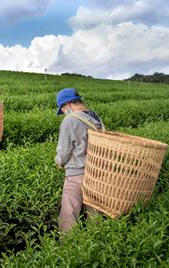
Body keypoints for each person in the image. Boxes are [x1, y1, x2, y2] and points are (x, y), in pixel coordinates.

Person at [55, 88, 104, 233]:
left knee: (69, 214)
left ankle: (68, 247)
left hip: (76, 174)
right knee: (94, 213)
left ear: (67, 105)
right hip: (96, 172)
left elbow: (63, 152)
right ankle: (95, 242)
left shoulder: (70, 120)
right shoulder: (96, 118)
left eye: (63, 109)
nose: (63, 112)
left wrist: (58, 162)